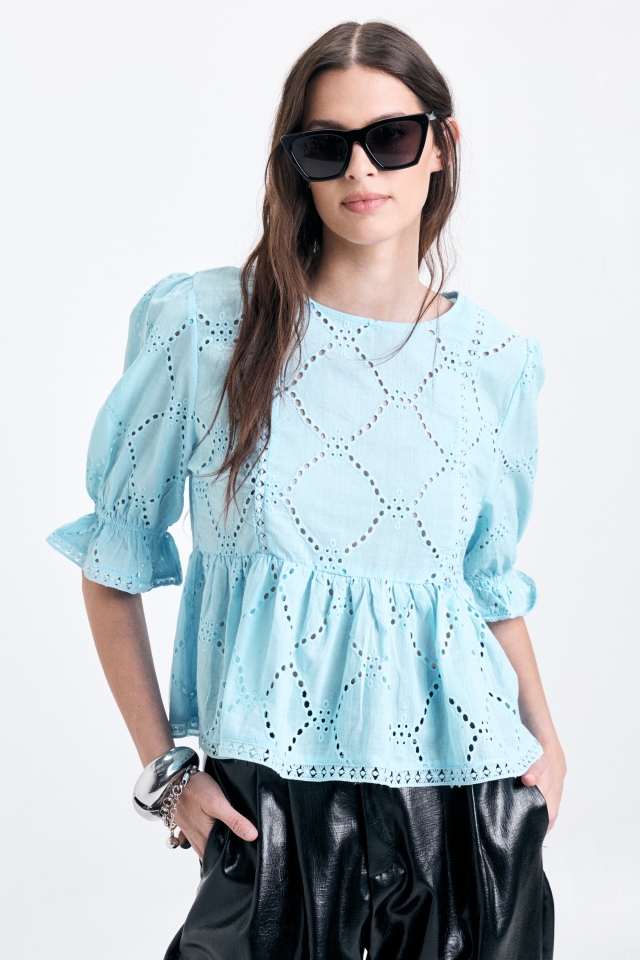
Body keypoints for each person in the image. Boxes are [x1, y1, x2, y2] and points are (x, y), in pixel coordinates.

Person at [47, 20, 566, 960]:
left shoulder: (495, 361)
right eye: (327, 146)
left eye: (391, 138)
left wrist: (548, 742)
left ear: (442, 146)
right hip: (275, 803)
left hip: (473, 800)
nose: (361, 169)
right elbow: (112, 556)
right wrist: (167, 772)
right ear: (297, 165)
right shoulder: (209, 327)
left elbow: (487, 583)